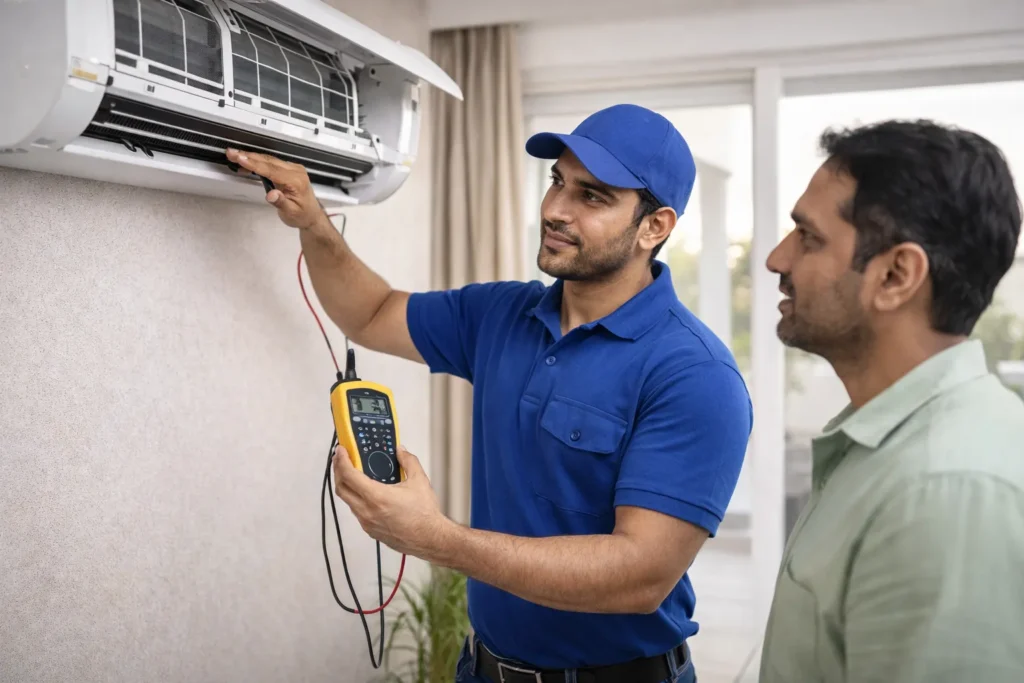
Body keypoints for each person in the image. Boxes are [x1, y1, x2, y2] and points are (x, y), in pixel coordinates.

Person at [227, 103, 752, 683]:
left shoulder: (695, 375)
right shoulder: (504, 313)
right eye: (557, 181)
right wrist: (313, 221)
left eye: (593, 196)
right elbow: (372, 312)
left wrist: (437, 540)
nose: (554, 209)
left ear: (655, 226)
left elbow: (640, 575)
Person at [759, 119, 1024, 683]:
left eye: (808, 237)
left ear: (896, 275)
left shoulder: (944, 491)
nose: (777, 261)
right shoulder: (890, 446)